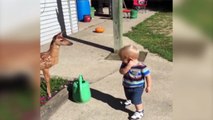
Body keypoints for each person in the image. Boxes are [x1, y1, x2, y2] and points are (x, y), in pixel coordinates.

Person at [119, 45, 152, 120]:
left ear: (130, 59)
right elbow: (121, 72)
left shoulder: (142, 66)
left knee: (136, 100)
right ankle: (129, 100)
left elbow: (148, 76)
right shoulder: (124, 64)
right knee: (129, 96)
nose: (121, 60)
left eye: (122, 58)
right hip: (127, 85)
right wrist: (128, 66)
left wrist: (149, 86)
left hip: (138, 87)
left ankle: (140, 111)